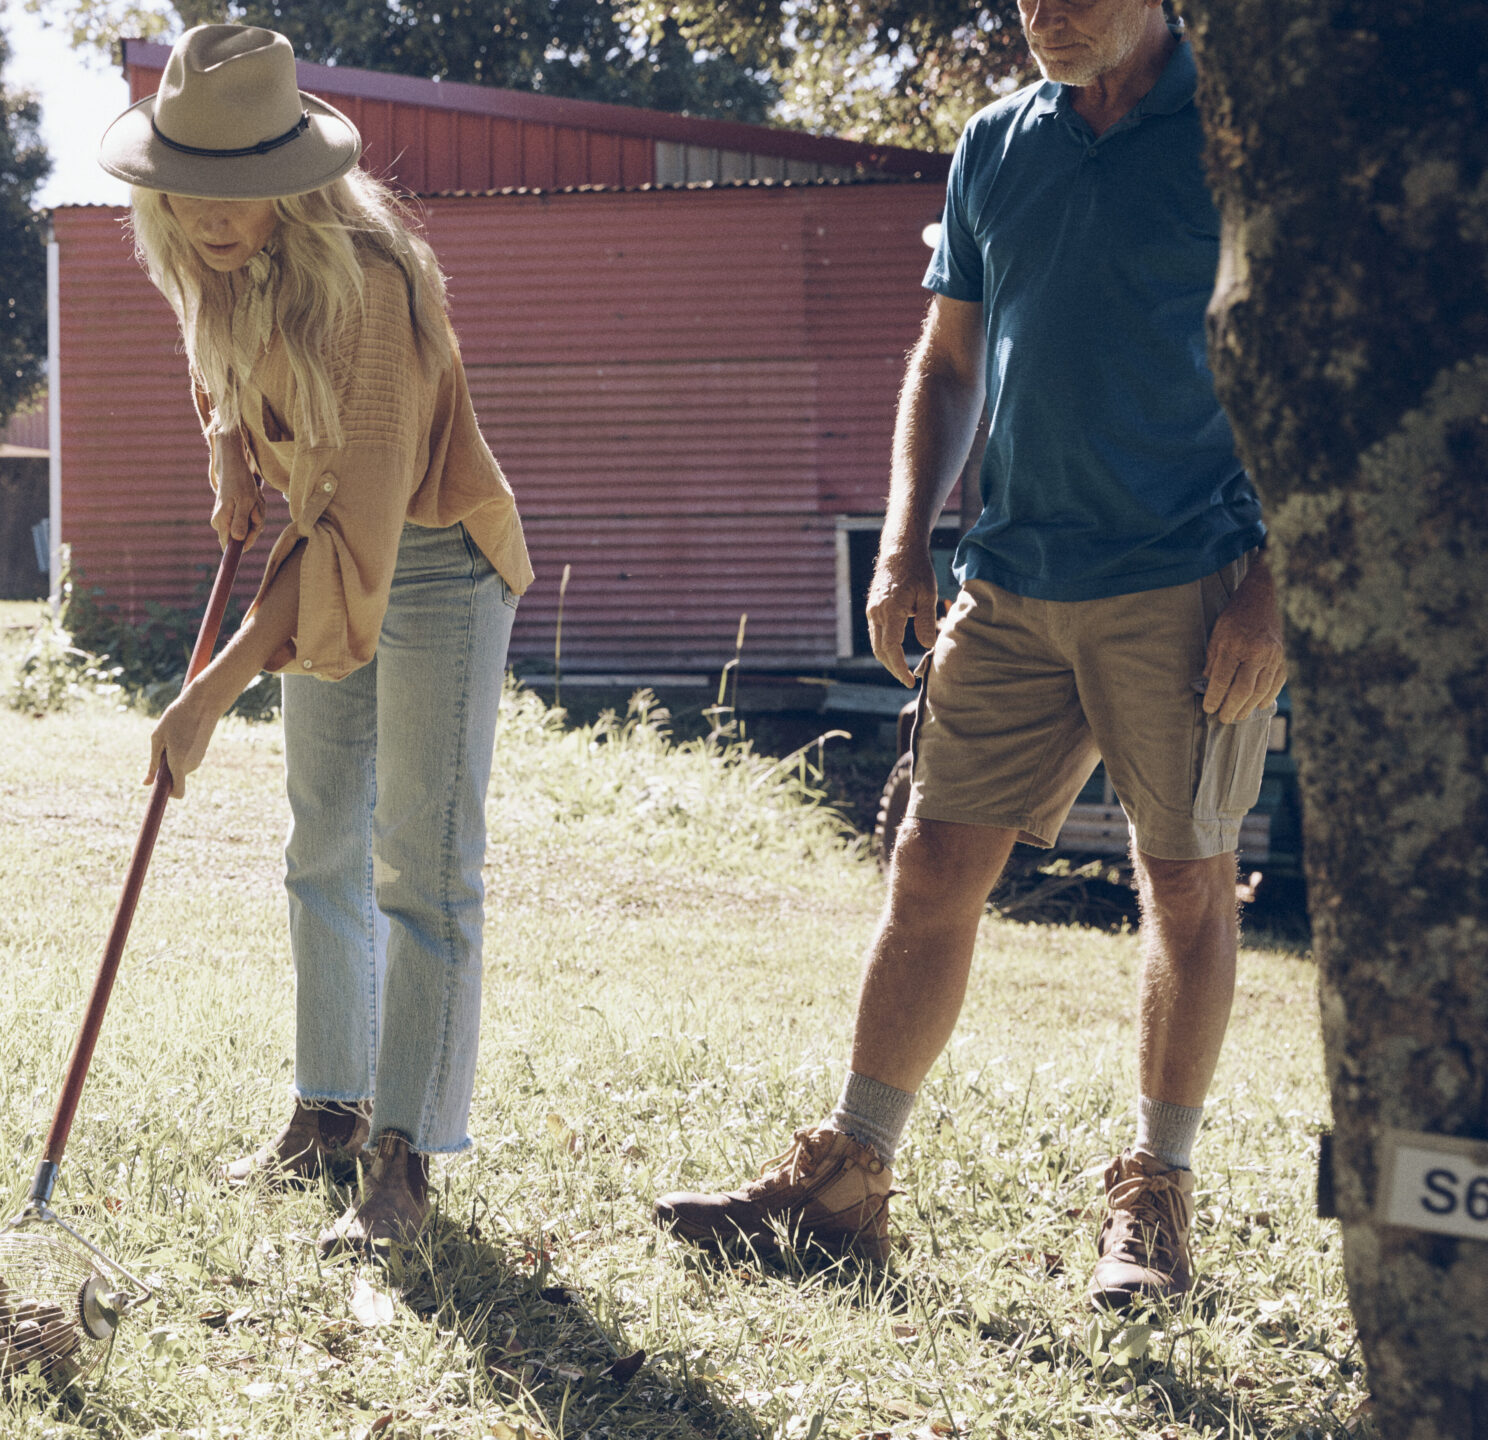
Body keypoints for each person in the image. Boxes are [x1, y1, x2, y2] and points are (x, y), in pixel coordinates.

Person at [653, 0, 1283, 1309]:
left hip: (1187, 577)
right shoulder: (997, 142)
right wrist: (900, 551)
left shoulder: (1237, 140)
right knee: (933, 859)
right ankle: (848, 1178)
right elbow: (947, 366)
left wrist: (1276, 583)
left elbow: (1309, 370)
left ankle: (1153, 1207)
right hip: (1010, 573)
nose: (1044, 12)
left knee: (1185, 882)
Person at [97, 24, 533, 1249]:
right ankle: (327, 1111)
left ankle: (401, 1162)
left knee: (423, 868)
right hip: (320, 553)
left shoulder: (367, 290)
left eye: (232, 188)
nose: (204, 214)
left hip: (433, 561)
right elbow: (217, 373)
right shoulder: (210, 260)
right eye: (183, 186)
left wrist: (205, 695)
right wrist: (230, 457)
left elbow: (358, 541)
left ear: (290, 175)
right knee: (319, 845)